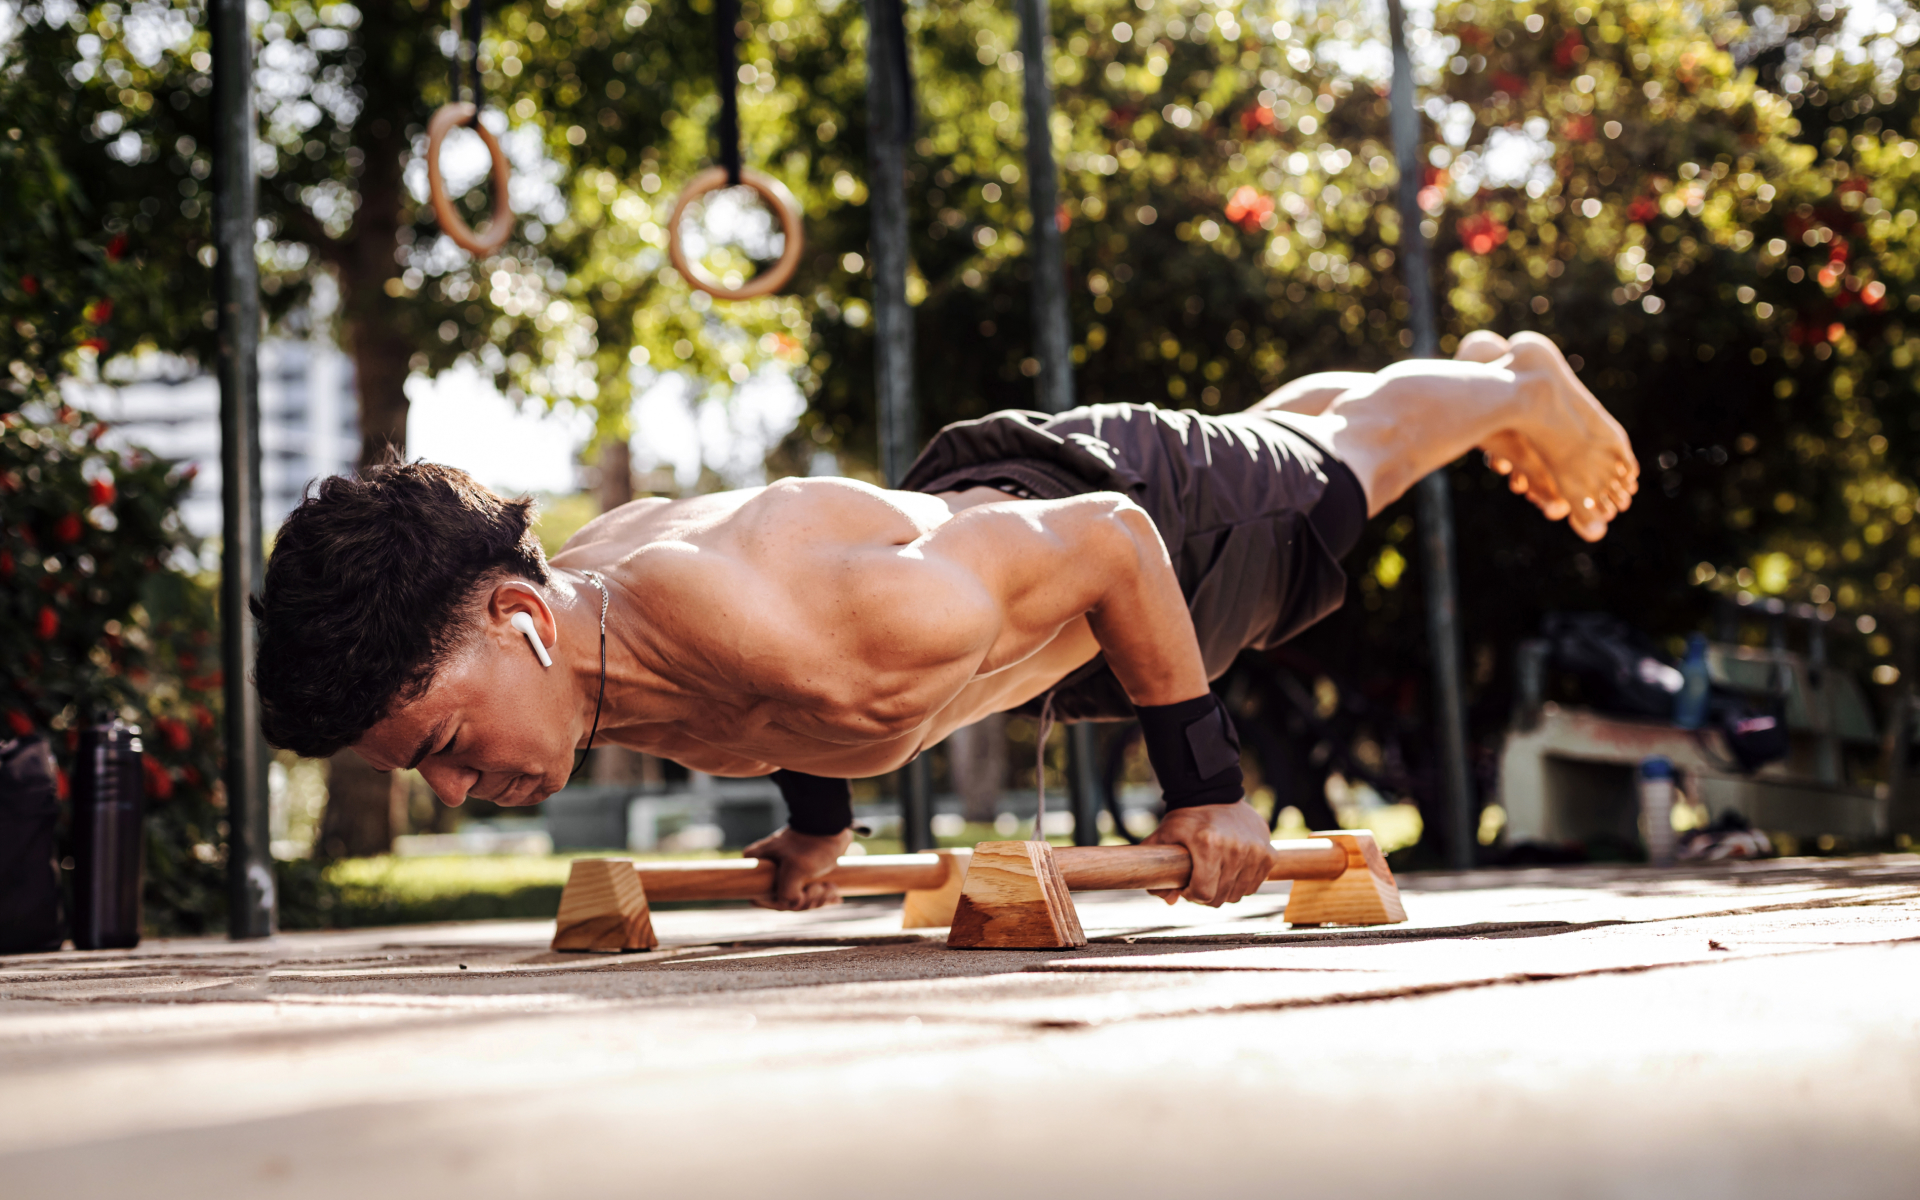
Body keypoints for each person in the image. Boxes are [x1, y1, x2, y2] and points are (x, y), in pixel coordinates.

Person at [252, 330, 1635, 909]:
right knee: (1293, 435)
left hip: (1123, 535)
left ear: (515, 618)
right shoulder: (598, 631)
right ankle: (1470, 376)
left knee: (1339, 476)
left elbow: (1114, 543)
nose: (453, 789)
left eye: (438, 740)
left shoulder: (827, 624)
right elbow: (760, 693)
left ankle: (1509, 379)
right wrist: (819, 825)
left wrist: (1206, 790)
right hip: (999, 575)